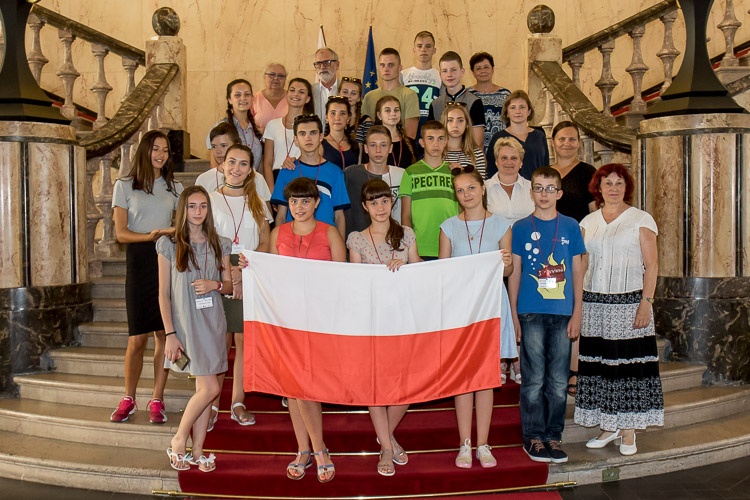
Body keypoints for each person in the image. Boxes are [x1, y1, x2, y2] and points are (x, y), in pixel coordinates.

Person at [575, 163, 663, 456]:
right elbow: (582, 265)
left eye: (619, 183)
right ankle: (609, 426)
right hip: (594, 304)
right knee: (601, 367)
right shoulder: (587, 222)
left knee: (627, 368)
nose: (613, 188)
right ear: (598, 188)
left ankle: (628, 430)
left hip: (629, 304)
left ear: (627, 188)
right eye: (607, 183)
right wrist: (577, 304)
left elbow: (652, 265)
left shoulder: (641, 219)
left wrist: (646, 303)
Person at [270, 177, 346, 483]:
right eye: (293, 201)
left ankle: (317, 448)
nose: (299, 207)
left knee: (306, 386)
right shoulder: (278, 232)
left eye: (305, 200)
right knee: (293, 387)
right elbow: (269, 274)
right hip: (286, 321)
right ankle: (307, 449)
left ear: (316, 203)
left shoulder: (330, 232)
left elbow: (342, 279)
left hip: (319, 320)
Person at [508, 167, 585, 464]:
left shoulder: (571, 226)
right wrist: (513, 314)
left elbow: (577, 271)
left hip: (562, 312)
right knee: (533, 379)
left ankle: (553, 435)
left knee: (557, 381)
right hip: (530, 312)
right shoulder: (520, 228)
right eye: (539, 188)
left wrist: (577, 312)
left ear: (559, 193)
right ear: (531, 193)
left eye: (550, 188)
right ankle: (533, 437)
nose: (544, 194)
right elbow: (514, 273)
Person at [438, 166, 513, 469]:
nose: (466, 194)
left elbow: (507, 270)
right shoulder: (448, 227)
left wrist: (506, 262)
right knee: (463, 378)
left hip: (492, 307)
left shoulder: (501, 224)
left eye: (471, 188)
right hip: (460, 310)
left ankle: (483, 443)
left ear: (482, 189)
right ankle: (465, 443)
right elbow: (442, 271)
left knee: (486, 378)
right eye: (460, 190)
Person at [347, 178, 419, 476]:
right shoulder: (356, 239)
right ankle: (388, 447)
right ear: (365, 206)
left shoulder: (407, 234)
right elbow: (354, 282)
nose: (380, 207)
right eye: (373, 202)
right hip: (371, 321)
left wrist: (406, 269)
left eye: (385, 201)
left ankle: (384, 435)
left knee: (408, 385)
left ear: (392, 202)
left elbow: (421, 273)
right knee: (375, 384)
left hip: (403, 320)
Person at [110, 130, 183, 424]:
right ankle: (128, 397)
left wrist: (169, 233)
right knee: (136, 338)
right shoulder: (124, 185)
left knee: (163, 335)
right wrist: (150, 236)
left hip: (165, 259)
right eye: (155, 149)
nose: (161, 155)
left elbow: (183, 227)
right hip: (139, 261)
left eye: (165, 150)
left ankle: (157, 397)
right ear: (145, 151)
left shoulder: (175, 187)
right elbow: (120, 233)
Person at [160, 185, 233, 472]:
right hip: (186, 325)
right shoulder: (169, 245)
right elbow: (163, 294)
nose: (198, 211)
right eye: (192, 206)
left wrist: (215, 284)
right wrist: (169, 333)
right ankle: (179, 439)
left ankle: (198, 450)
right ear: (183, 209)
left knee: (207, 389)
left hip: (213, 322)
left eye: (203, 206)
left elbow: (229, 286)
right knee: (210, 387)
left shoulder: (220, 243)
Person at [207, 144, 272, 430]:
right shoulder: (209, 200)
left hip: (249, 269)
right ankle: (211, 402)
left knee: (244, 340)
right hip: (218, 270)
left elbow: (265, 240)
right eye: (231, 162)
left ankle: (237, 401)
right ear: (222, 165)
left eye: (243, 164)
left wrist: (245, 268)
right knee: (220, 340)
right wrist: (228, 271)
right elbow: (205, 239)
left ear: (250, 170)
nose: (236, 168)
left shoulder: (257, 201)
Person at [548, 120, 596, 397]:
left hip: (577, 248)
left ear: (579, 143)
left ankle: (575, 369)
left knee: (576, 305)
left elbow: (594, 213)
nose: (567, 143)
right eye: (562, 139)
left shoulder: (588, 172)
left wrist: (587, 250)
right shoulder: (546, 173)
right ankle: (555, 366)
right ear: (553, 142)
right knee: (554, 305)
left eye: (572, 139)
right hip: (550, 251)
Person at [271, 114, 350, 238]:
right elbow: (281, 216)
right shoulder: (287, 171)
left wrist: (339, 246)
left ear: (321, 136)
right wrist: (279, 244)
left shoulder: (335, 172)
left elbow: (339, 216)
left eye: (313, 133)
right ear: (296, 139)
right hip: (293, 240)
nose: (308, 138)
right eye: (302, 134)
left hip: (325, 240)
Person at [399, 120, 458, 260]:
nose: (436, 144)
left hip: (452, 245)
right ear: (422, 142)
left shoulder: (454, 172)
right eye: (430, 139)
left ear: (446, 142)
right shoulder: (410, 172)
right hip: (420, 246)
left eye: (440, 139)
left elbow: (463, 210)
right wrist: (411, 249)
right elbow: (405, 216)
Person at [344, 125, 405, 239]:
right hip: (359, 243)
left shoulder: (402, 175)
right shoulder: (350, 174)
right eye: (373, 145)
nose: (378, 150)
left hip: (393, 241)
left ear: (390, 148)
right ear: (366, 148)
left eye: (383, 145)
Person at [262, 77, 315, 191]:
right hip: (278, 177)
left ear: (307, 99)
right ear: (287, 94)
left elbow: (317, 153)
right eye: (292, 90)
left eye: (301, 92)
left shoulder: (312, 126)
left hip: (303, 177)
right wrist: (271, 190)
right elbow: (267, 163)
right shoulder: (272, 125)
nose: (296, 94)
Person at [485, 90, 549, 180]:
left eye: (522, 107)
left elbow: (546, 166)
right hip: (509, 186)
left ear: (529, 111)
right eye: (513, 107)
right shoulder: (499, 137)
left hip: (538, 186)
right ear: (507, 112)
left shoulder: (539, 136)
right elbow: (491, 170)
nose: (518, 111)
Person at [427, 51, 485, 149]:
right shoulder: (435, 104)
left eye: (453, 70)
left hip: (467, 156)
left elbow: (477, 142)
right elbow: (431, 138)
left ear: (462, 71)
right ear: (440, 74)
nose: (449, 74)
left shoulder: (474, 102)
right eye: (445, 71)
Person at [361, 48, 420, 140]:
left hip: (400, 146)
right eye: (382, 65)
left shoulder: (409, 95)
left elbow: (410, 135)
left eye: (391, 65)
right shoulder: (369, 96)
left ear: (400, 68)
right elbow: (364, 131)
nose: (386, 69)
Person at [206, 79, 263, 172]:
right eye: (237, 95)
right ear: (230, 100)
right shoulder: (221, 127)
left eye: (247, 94)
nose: (243, 98)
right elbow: (215, 166)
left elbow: (260, 165)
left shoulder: (258, 129)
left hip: (254, 180)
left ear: (252, 98)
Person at [468, 52, 511, 151]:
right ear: (473, 72)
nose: (483, 71)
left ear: (493, 69)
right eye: (478, 68)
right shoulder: (467, 95)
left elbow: (511, 122)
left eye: (486, 67)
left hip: (501, 149)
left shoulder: (505, 94)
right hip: (474, 150)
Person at [485, 137, 535, 224]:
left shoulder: (532, 188)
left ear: (521, 162)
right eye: (504, 158)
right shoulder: (484, 188)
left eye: (514, 158)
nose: (509, 162)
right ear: (496, 162)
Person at [401, 31, 441, 129]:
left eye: (428, 46)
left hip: (431, 128)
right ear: (414, 49)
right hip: (407, 128)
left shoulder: (440, 76)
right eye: (419, 46)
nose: (423, 50)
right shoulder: (402, 75)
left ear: (434, 50)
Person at [441, 102, 487, 178]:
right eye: (450, 120)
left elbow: (480, 183)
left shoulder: (477, 154)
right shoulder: (436, 152)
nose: (455, 125)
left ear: (467, 125)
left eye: (460, 120)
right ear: (444, 123)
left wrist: (462, 172)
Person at [372, 95, 416, 169]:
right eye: (387, 110)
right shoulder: (372, 142)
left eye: (396, 110)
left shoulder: (409, 142)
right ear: (379, 115)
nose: (393, 114)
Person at [196, 122, 241, 191]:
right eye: (214, 146)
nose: (218, 151)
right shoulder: (203, 179)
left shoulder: (254, 178)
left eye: (223, 146)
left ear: (236, 146)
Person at [322, 95, 359, 169]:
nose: (337, 118)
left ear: (348, 118)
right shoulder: (320, 145)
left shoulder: (355, 145)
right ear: (326, 117)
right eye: (333, 113)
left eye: (342, 113)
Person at [252, 63, 289, 133]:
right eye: (272, 75)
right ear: (264, 77)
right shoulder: (254, 99)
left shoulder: (292, 99)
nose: (276, 78)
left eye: (281, 76)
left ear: (285, 79)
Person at [312, 47, 340, 124]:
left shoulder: (346, 90)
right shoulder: (309, 91)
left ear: (337, 65)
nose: (322, 67)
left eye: (327, 62)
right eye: (318, 63)